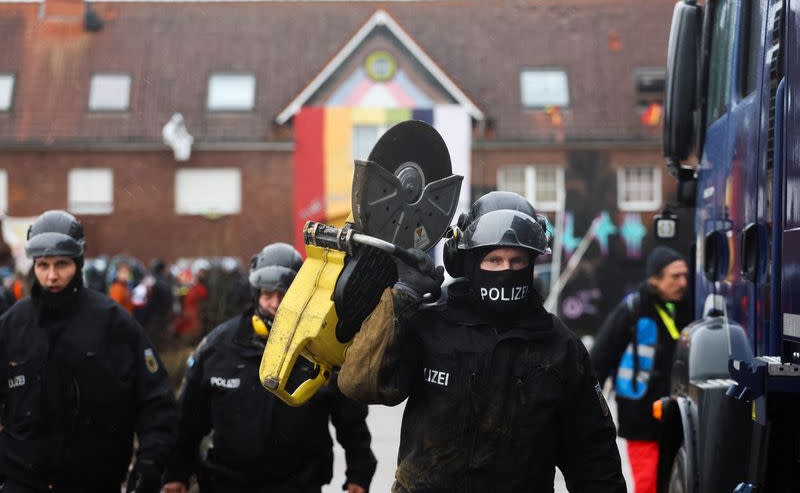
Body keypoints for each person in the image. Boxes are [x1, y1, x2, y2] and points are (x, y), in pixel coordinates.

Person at [338, 191, 626, 492]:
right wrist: (401, 299)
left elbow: (594, 457)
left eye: (517, 261)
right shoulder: (431, 325)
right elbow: (359, 383)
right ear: (470, 262)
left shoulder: (560, 348)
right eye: (494, 260)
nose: (506, 270)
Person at [163, 242, 377, 493]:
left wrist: (359, 474)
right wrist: (175, 472)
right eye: (267, 294)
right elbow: (188, 418)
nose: (275, 304)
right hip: (225, 483)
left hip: (299, 485)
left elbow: (351, 420)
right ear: (256, 293)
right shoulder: (217, 347)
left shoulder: (320, 349)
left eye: (284, 294)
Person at [0, 210, 177, 493]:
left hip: (94, 481)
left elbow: (156, 402)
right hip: (22, 483)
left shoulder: (114, 323)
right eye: (43, 265)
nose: (52, 276)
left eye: (61, 264)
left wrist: (150, 466)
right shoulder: (12, 326)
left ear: (78, 263)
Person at [590, 246, 691, 493]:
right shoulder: (632, 310)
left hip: (676, 415)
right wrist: (589, 413)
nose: (683, 282)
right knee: (647, 484)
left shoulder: (684, 308)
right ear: (654, 279)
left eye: (684, 275)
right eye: (674, 276)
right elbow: (599, 360)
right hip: (641, 416)